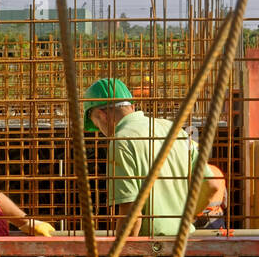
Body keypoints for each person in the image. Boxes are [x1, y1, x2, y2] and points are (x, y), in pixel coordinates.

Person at [83, 77, 226, 235]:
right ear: (132, 105)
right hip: (185, 241)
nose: (102, 132)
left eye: (97, 125)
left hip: (152, 249)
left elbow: (132, 217)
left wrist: (119, 256)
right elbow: (212, 184)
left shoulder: (121, 140)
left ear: (101, 115)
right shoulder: (174, 129)